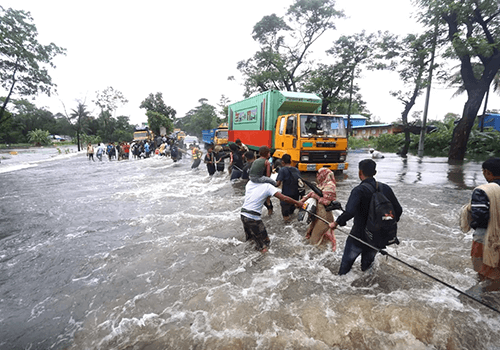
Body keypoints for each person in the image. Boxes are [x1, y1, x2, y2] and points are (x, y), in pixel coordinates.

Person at [329, 159, 402, 275]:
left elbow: (350, 212)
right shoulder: (386, 188)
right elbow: (398, 210)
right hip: (376, 237)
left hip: (358, 236)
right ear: (375, 172)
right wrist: (384, 226)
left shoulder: (359, 190)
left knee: (344, 269)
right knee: (367, 270)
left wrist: (336, 223)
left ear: (360, 172)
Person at [465, 157, 500, 291]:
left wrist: (472, 222)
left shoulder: (483, 191)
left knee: (484, 275)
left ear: (487, 172)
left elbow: (480, 217)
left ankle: (485, 304)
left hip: (486, 238)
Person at [241, 179, 302, 252]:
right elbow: (284, 198)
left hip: (243, 215)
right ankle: (264, 261)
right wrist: (297, 203)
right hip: (253, 218)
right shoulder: (268, 187)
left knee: (251, 241)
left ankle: (248, 256)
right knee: (265, 243)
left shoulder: (250, 183)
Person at [299, 167, 337, 245]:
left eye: (319, 174)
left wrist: (315, 196)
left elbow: (327, 202)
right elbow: (312, 193)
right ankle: (326, 254)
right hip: (317, 215)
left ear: (324, 174)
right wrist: (302, 200)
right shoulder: (321, 184)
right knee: (310, 235)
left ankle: (317, 256)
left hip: (324, 217)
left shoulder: (330, 186)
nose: (317, 176)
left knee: (314, 242)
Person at [276, 154, 301, 222]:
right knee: (292, 215)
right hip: (296, 196)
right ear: (290, 161)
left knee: (286, 218)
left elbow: (278, 184)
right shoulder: (296, 170)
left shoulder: (282, 170)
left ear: (282, 162)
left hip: (286, 197)